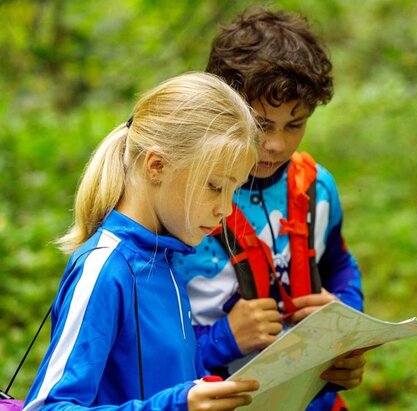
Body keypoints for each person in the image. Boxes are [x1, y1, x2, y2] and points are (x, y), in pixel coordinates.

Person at [24, 72, 261, 411]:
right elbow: (48, 407)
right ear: (156, 166)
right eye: (215, 186)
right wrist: (175, 405)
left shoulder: (168, 261)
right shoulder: (105, 269)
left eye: (233, 190)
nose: (225, 208)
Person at [171, 7, 365, 411]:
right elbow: (147, 348)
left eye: (295, 124)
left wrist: (345, 317)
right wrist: (224, 338)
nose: (276, 145)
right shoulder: (182, 203)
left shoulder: (317, 188)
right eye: (260, 125)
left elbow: (338, 263)